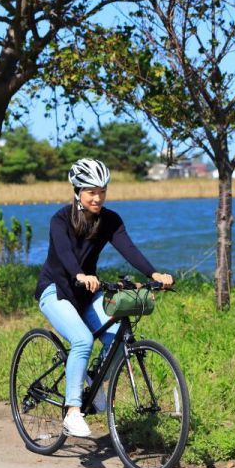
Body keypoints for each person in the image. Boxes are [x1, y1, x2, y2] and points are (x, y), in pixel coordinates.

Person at [35, 158, 173, 437]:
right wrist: (80, 274)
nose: (97, 197)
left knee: (116, 343)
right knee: (83, 340)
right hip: (55, 290)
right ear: (77, 191)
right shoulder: (60, 220)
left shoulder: (110, 220)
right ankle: (73, 412)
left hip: (86, 294)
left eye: (102, 191)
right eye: (91, 192)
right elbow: (64, 253)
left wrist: (154, 273)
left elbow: (129, 249)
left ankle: (91, 381)